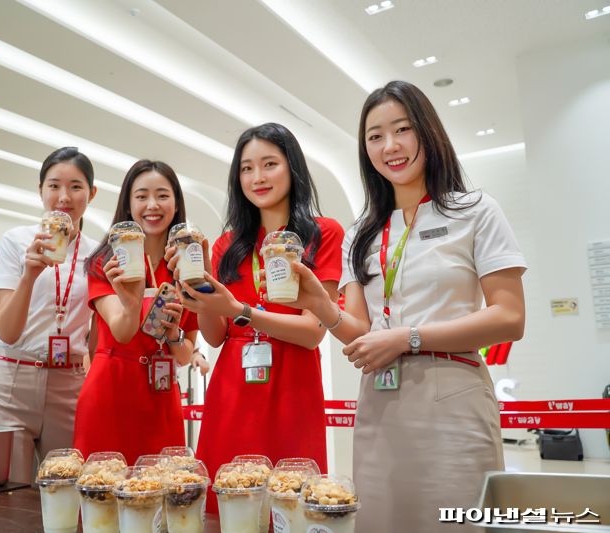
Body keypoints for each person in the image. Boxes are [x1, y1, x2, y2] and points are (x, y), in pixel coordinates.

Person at [284, 81, 526, 531]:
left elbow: (510, 318)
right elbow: (360, 333)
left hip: (454, 393)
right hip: (380, 403)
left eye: (402, 129)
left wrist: (409, 337)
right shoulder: (362, 233)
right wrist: (319, 302)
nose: (390, 146)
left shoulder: (474, 211)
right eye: (375, 136)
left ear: (428, 133)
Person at [174, 123, 344, 513]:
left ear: (292, 168)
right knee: (229, 506)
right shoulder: (225, 245)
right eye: (247, 168)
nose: (258, 177)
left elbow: (312, 332)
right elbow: (215, 337)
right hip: (232, 388)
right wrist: (198, 294)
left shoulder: (323, 233)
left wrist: (242, 312)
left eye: (269, 164)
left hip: (293, 385)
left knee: (289, 504)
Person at [0, 147, 98, 484]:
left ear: (92, 192)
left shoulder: (97, 251)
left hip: (69, 382)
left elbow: (97, 332)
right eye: (53, 186)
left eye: (76, 186)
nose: (64, 197)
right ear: (40, 190)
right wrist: (29, 275)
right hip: (13, 377)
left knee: (66, 490)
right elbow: (8, 330)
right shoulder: (16, 241)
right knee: (7, 495)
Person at [73, 159, 198, 463]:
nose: (152, 205)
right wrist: (132, 300)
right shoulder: (107, 262)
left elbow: (185, 355)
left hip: (161, 392)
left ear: (176, 203)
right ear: (128, 205)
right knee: (102, 495)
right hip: (110, 390)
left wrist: (172, 334)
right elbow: (122, 330)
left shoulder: (187, 265)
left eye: (162, 195)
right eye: (141, 196)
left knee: (163, 493)